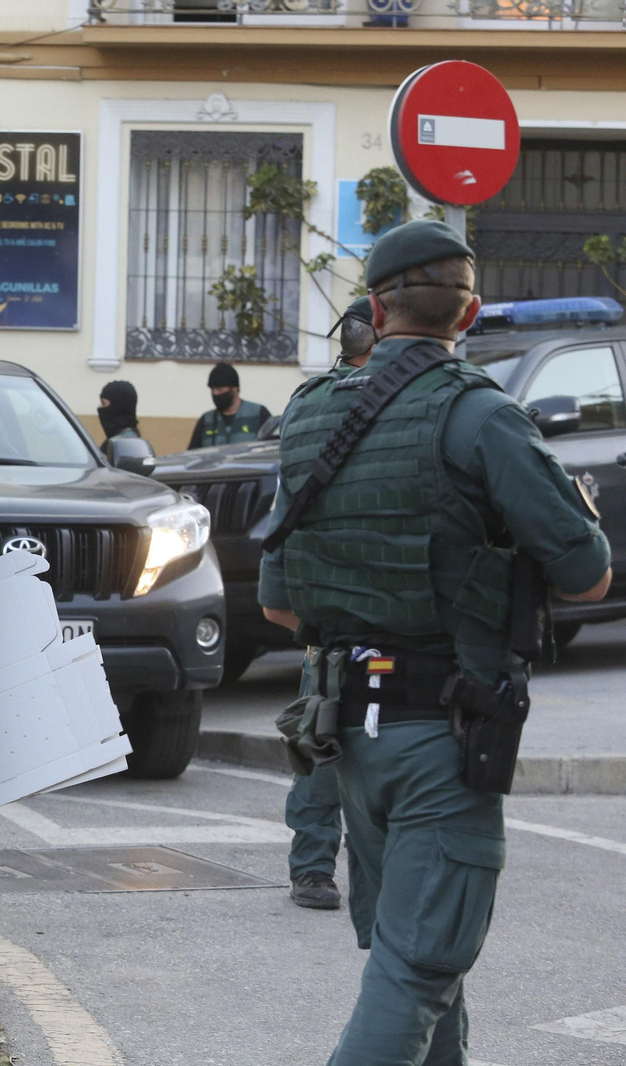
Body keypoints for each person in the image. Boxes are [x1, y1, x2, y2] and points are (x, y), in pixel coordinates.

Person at [260, 219, 611, 1065]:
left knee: (422, 962)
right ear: (471, 313)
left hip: (346, 739)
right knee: (420, 967)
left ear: (375, 312)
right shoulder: (483, 416)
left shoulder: (309, 415)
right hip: (441, 738)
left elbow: (279, 608)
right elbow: (587, 574)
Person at [282, 297, 376, 912]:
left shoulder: (307, 399)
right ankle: (326, 865)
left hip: (328, 592)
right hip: (375, 591)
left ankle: (314, 867)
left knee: (325, 722)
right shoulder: (396, 394)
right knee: (348, 729)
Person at [188, 361, 271, 449]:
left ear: (234, 388)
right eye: (212, 389)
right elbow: (192, 454)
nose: (215, 393)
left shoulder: (258, 413)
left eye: (220, 389)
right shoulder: (206, 420)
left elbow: (274, 448)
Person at [96, 379, 141, 462]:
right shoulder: (130, 439)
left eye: (103, 403)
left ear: (118, 407)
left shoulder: (121, 445)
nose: (100, 407)